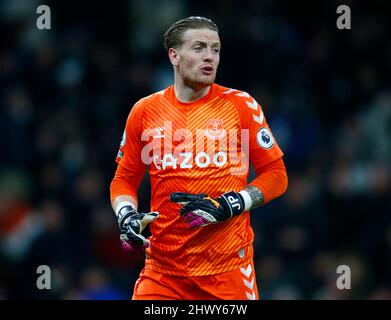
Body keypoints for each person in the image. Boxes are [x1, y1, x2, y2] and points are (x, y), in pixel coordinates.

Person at [110, 16, 288, 300]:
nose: (210, 57)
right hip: (163, 273)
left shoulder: (240, 105)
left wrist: (232, 203)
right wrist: (126, 215)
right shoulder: (144, 111)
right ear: (174, 55)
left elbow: (277, 175)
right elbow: (123, 180)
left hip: (227, 271)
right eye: (199, 48)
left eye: (215, 49)